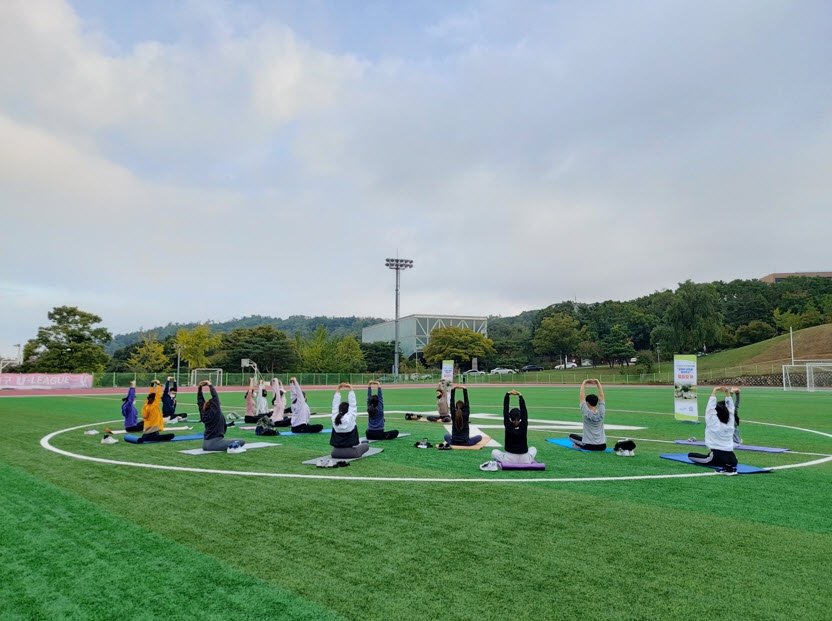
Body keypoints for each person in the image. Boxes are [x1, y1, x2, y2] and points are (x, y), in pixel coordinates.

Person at [688, 386, 738, 474]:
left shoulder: (713, 423)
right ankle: (728, 466)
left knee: (690, 456)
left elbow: (710, 408)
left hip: (716, 457)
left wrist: (714, 391)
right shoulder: (730, 424)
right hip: (733, 459)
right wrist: (727, 393)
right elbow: (731, 409)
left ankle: (724, 466)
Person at [198, 380, 246, 452]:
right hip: (214, 443)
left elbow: (200, 401)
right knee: (241, 441)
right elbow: (215, 397)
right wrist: (210, 385)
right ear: (215, 405)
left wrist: (200, 388)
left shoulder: (203, 412)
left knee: (231, 441)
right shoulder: (215, 412)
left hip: (205, 443)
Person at [491, 390, 537, 464]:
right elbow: (524, 412)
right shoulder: (523, 425)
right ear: (521, 417)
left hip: (509, 458)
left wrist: (507, 395)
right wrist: (520, 396)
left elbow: (505, 410)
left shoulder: (508, 425)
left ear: (510, 417)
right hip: (524, 459)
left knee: (494, 452)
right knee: (533, 449)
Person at [330, 382, 370, 459]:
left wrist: (338, 390)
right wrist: (351, 389)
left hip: (335, 453)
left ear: (339, 410)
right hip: (351, 453)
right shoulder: (350, 417)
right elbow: (353, 404)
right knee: (366, 445)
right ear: (348, 410)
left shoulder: (334, 418)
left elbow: (334, 405)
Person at [569, 378, 607, 451]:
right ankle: (579, 445)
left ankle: (579, 446)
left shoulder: (586, 412)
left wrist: (584, 383)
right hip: (602, 446)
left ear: (587, 403)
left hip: (589, 445)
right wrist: (597, 382)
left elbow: (581, 396)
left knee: (571, 436)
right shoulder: (602, 411)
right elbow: (602, 396)